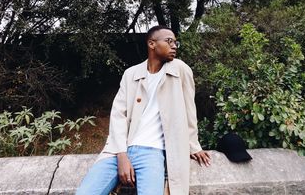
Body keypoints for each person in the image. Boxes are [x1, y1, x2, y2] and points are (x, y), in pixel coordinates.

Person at [76, 25, 211, 195]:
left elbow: (190, 112)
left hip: (153, 153)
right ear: (152, 44)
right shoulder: (130, 74)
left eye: (176, 42)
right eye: (169, 41)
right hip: (118, 149)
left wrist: (194, 146)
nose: (174, 46)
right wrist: (122, 155)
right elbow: (118, 116)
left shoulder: (180, 70)